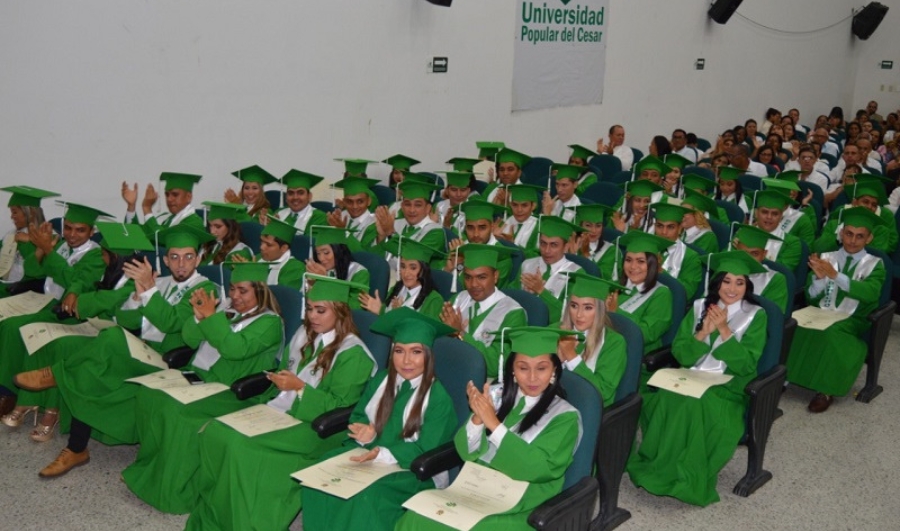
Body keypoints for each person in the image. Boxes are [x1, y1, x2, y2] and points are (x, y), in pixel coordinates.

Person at [14, 224, 218, 477]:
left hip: (170, 359)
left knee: (109, 341)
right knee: (90, 370)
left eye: (188, 257)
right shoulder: (160, 282)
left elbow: (173, 323)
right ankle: (76, 449)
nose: (181, 264)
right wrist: (137, 296)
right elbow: (127, 320)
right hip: (142, 349)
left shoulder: (206, 289)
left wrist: (149, 290)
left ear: (198, 258)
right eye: (174, 257)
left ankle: (57, 375)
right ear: (166, 259)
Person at [122, 261, 284, 512]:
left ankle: (176, 491)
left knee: (180, 415)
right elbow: (190, 338)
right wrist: (198, 318)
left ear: (260, 292)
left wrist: (210, 317)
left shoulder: (270, 323)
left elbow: (234, 349)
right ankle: (152, 471)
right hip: (203, 375)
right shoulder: (229, 311)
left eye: (243, 291)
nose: (234, 296)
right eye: (232, 289)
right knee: (150, 395)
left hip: (233, 389)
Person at [395, 326, 583, 531]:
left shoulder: (565, 416)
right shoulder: (496, 397)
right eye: (523, 368)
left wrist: (493, 424)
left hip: (524, 502)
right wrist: (477, 418)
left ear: (554, 369)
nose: (532, 378)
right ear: (512, 369)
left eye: (541, 368)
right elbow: (466, 452)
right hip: (477, 490)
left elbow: (539, 468)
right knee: (417, 517)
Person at [628, 251, 767, 506]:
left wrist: (725, 330)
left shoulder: (755, 315)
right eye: (726, 281)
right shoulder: (699, 307)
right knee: (668, 395)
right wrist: (703, 332)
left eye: (740, 282)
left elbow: (747, 364)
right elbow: (681, 353)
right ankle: (659, 466)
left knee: (693, 404)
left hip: (728, 386)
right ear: (717, 283)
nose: (732, 288)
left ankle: (686, 476)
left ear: (747, 286)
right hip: (692, 375)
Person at [302, 308, 458, 531]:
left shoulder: (438, 398)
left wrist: (383, 452)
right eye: (399, 351)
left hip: (411, 471)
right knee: (320, 474)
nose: (406, 361)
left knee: (366, 495)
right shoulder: (382, 379)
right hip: (369, 453)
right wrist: (367, 433)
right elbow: (359, 415)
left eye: (416, 352)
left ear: (428, 355)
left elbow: (427, 449)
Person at [2, 222, 154, 440]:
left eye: (105, 255)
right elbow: (82, 280)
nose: (102, 259)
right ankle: (28, 400)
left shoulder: (134, 282)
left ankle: (52, 413)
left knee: (61, 343)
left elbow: (104, 300)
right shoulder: (110, 272)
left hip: (119, 340)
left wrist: (77, 299)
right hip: (95, 326)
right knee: (42, 334)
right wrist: (74, 291)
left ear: (116, 257)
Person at [0, 203, 109, 415]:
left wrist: (50, 250)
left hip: (69, 312)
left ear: (92, 232)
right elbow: (32, 270)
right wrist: (42, 247)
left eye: (80, 230)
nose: (72, 234)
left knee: (14, 327)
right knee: (5, 320)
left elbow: (75, 284)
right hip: (43, 300)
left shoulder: (95, 256)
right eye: (68, 228)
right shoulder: (60, 245)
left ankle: (8, 392)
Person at [788, 207, 886, 413]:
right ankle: (787, 378)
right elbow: (811, 296)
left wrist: (835, 275)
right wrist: (819, 279)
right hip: (822, 311)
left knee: (831, 331)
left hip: (854, 318)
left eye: (860, 236)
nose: (853, 240)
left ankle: (825, 390)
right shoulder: (827, 257)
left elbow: (870, 293)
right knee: (794, 323)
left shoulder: (875, 265)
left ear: (869, 239)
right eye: (849, 234)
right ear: (841, 233)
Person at [442, 244, 526, 378]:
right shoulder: (458, 299)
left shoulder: (513, 313)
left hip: (484, 384)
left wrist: (460, 333)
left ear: (496, 276)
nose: (473, 284)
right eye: (468, 277)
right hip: (449, 370)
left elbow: (495, 366)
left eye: (481, 277)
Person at [557, 272, 627, 406]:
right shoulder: (555, 331)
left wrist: (572, 357)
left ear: (600, 309)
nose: (579, 315)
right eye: (574, 306)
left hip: (587, 408)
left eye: (588, 307)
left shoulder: (614, 343)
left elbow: (603, 392)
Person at [608, 231, 673, 354]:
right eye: (628, 260)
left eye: (641, 261)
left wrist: (616, 312)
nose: (633, 266)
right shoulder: (614, 286)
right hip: (607, 348)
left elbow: (647, 334)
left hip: (634, 355)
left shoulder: (661, 294)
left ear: (652, 264)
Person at [512, 216, 584, 321]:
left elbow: (570, 315)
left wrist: (541, 291)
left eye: (554, 245)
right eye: (543, 243)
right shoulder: (527, 265)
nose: (546, 250)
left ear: (565, 247)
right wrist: (525, 295)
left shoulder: (575, 274)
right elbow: (511, 296)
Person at [359, 238, 444, 320]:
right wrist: (380, 310)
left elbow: (426, 331)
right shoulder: (396, 290)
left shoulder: (434, 300)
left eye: (413, 268)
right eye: (403, 266)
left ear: (423, 270)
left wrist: (400, 316)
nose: (406, 273)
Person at [0, 186, 59, 300]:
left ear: (30, 213)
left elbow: (40, 270)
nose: (12, 216)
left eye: (15, 212)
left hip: (23, 287)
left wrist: (30, 241)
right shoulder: (11, 233)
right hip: (4, 282)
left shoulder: (49, 236)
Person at [374, 180, 446, 270]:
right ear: (402, 206)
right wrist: (381, 237)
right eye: (407, 204)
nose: (412, 210)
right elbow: (376, 259)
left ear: (428, 208)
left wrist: (390, 233)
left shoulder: (436, 232)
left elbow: (411, 258)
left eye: (418, 205)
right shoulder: (395, 223)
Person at [814, 178, 898, 255]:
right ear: (854, 202)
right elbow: (817, 249)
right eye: (865, 202)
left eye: (874, 205)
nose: (869, 207)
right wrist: (837, 239)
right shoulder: (836, 222)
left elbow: (879, 255)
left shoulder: (880, 229)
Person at [444, 199, 513, 287]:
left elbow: (480, 291)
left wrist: (463, 262)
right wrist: (448, 269)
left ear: (492, 226)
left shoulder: (502, 258)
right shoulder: (458, 247)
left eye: (482, 227)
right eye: (470, 228)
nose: (476, 234)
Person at [122, 172, 204, 238]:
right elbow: (138, 235)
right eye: (167, 194)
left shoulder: (194, 223)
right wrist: (131, 206)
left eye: (175, 194)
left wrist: (147, 208)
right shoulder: (169, 220)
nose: (169, 199)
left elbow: (163, 240)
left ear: (188, 197)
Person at [306, 225, 370, 308]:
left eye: (326, 253)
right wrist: (311, 284)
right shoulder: (319, 270)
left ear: (339, 251)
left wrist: (324, 281)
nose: (321, 258)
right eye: (318, 253)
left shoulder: (359, 273)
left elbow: (355, 308)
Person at [731, 224, 790, 313]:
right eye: (743, 253)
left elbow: (774, 317)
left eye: (754, 254)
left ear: (764, 254)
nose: (748, 259)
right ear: (736, 250)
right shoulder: (725, 271)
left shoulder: (775, 279)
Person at [651, 202, 703, 299]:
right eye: (660, 226)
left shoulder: (691, 257)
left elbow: (687, 292)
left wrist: (661, 272)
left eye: (670, 227)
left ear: (680, 228)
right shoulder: (646, 247)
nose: (664, 232)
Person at [749, 190, 803, 272]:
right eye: (764, 212)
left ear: (781, 216)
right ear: (756, 213)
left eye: (775, 214)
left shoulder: (792, 243)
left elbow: (783, 271)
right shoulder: (744, 233)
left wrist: (748, 254)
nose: (769, 217)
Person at [247, 215, 305, 289]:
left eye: (268, 245)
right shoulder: (259, 257)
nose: (261, 247)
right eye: (261, 242)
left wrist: (255, 274)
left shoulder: (294, 268)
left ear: (284, 248)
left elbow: (279, 297)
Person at [327, 176, 380, 248]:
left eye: (360, 201)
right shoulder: (340, 217)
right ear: (344, 202)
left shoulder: (374, 224)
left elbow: (363, 255)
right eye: (349, 202)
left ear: (369, 201)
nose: (355, 206)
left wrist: (342, 231)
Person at [272, 169, 329, 235]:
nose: (295, 197)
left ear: (309, 196)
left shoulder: (319, 218)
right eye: (290, 193)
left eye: (300, 193)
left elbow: (308, 243)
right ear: (286, 197)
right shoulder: (279, 213)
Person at [493, 184, 543, 258]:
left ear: (533, 206)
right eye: (515, 205)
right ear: (510, 205)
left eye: (524, 205)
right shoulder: (506, 222)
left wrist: (511, 245)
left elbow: (538, 256)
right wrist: (492, 238)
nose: (519, 210)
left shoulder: (539, 227)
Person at [198, 201, 253, 265]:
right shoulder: (210, 245)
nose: (212, 231)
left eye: (218, 227)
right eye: (210, 225)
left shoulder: (239, 252)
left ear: (230, 227)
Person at [572, 204, 618, 280]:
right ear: (580, 225)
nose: (594, 231)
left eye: (598, 226)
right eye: (588, 225)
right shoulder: (570, 245)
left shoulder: (611, 251)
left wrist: (585, 255)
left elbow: (603, 278)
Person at [434, 171, 476, 236]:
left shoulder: (474, 212)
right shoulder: (438, 206)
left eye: (463, 190)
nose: (458, 194)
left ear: (468, 191)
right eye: (454, 190)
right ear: (447, 191)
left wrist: (448, 228)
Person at [680, 188, 722, 255]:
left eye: (686, 211)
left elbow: (698, 261)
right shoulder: (683, 232)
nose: (682, 215)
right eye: (681, 210)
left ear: (697, 215)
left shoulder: (708, 237)